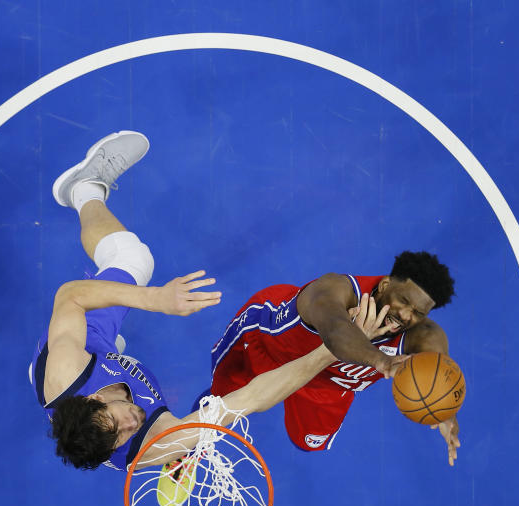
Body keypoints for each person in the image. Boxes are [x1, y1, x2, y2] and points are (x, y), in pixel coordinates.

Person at [31, 131, 378, 472]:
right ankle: (119, 362)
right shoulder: (155, 444)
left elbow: (71, 296)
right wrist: (332, 349)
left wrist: (157, 299)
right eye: (120, 439)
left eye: (115, 422)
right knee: (184, 431)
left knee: (134, 259)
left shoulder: (67, 371)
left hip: (86, 348)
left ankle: (84, 187)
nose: (131, 424)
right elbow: (251, 398)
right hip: (114, 372)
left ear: (95, 399)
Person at [209, 256, 461, 466]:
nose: (406, 315)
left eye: (418, 313)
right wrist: (382, 361)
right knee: (215, 411)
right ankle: (185, 456)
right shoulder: (334, 289)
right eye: (404, 301)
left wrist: (444, 409)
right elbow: (336, 333)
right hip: (267, 346)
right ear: (385, 286)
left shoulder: (425, 336)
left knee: (307, 443)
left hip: (326, 384)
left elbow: (439, 372)